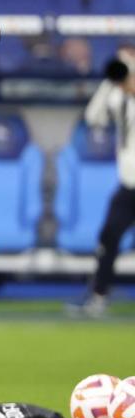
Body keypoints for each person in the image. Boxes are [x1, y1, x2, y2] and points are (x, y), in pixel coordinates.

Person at [68, 49, 135, 318]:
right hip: (129, 184)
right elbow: (94, 117)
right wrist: (111, 80)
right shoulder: (118, 97)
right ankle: (98, 296)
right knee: (108, 238)